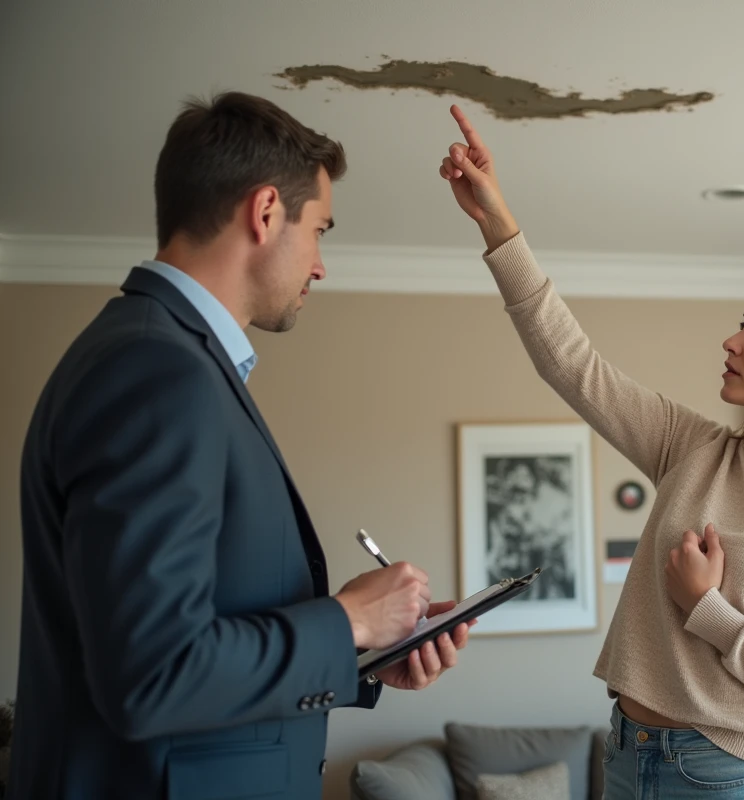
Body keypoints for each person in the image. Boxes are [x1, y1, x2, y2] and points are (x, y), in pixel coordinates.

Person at [10, 92, 473, 800]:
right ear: (265, 212)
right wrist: (348, 619)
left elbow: (192, 643)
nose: (320, 266)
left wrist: (358, 653)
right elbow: (151, 674)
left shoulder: (163, 358)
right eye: (319, 231)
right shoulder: (155, 368)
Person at [437, 104, 744, 798]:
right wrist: (498, 226)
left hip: (731, 777)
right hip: (629, 758)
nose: (733, 340)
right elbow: (571, 364)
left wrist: (708, 608)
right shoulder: (696, 450)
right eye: (742, 322)